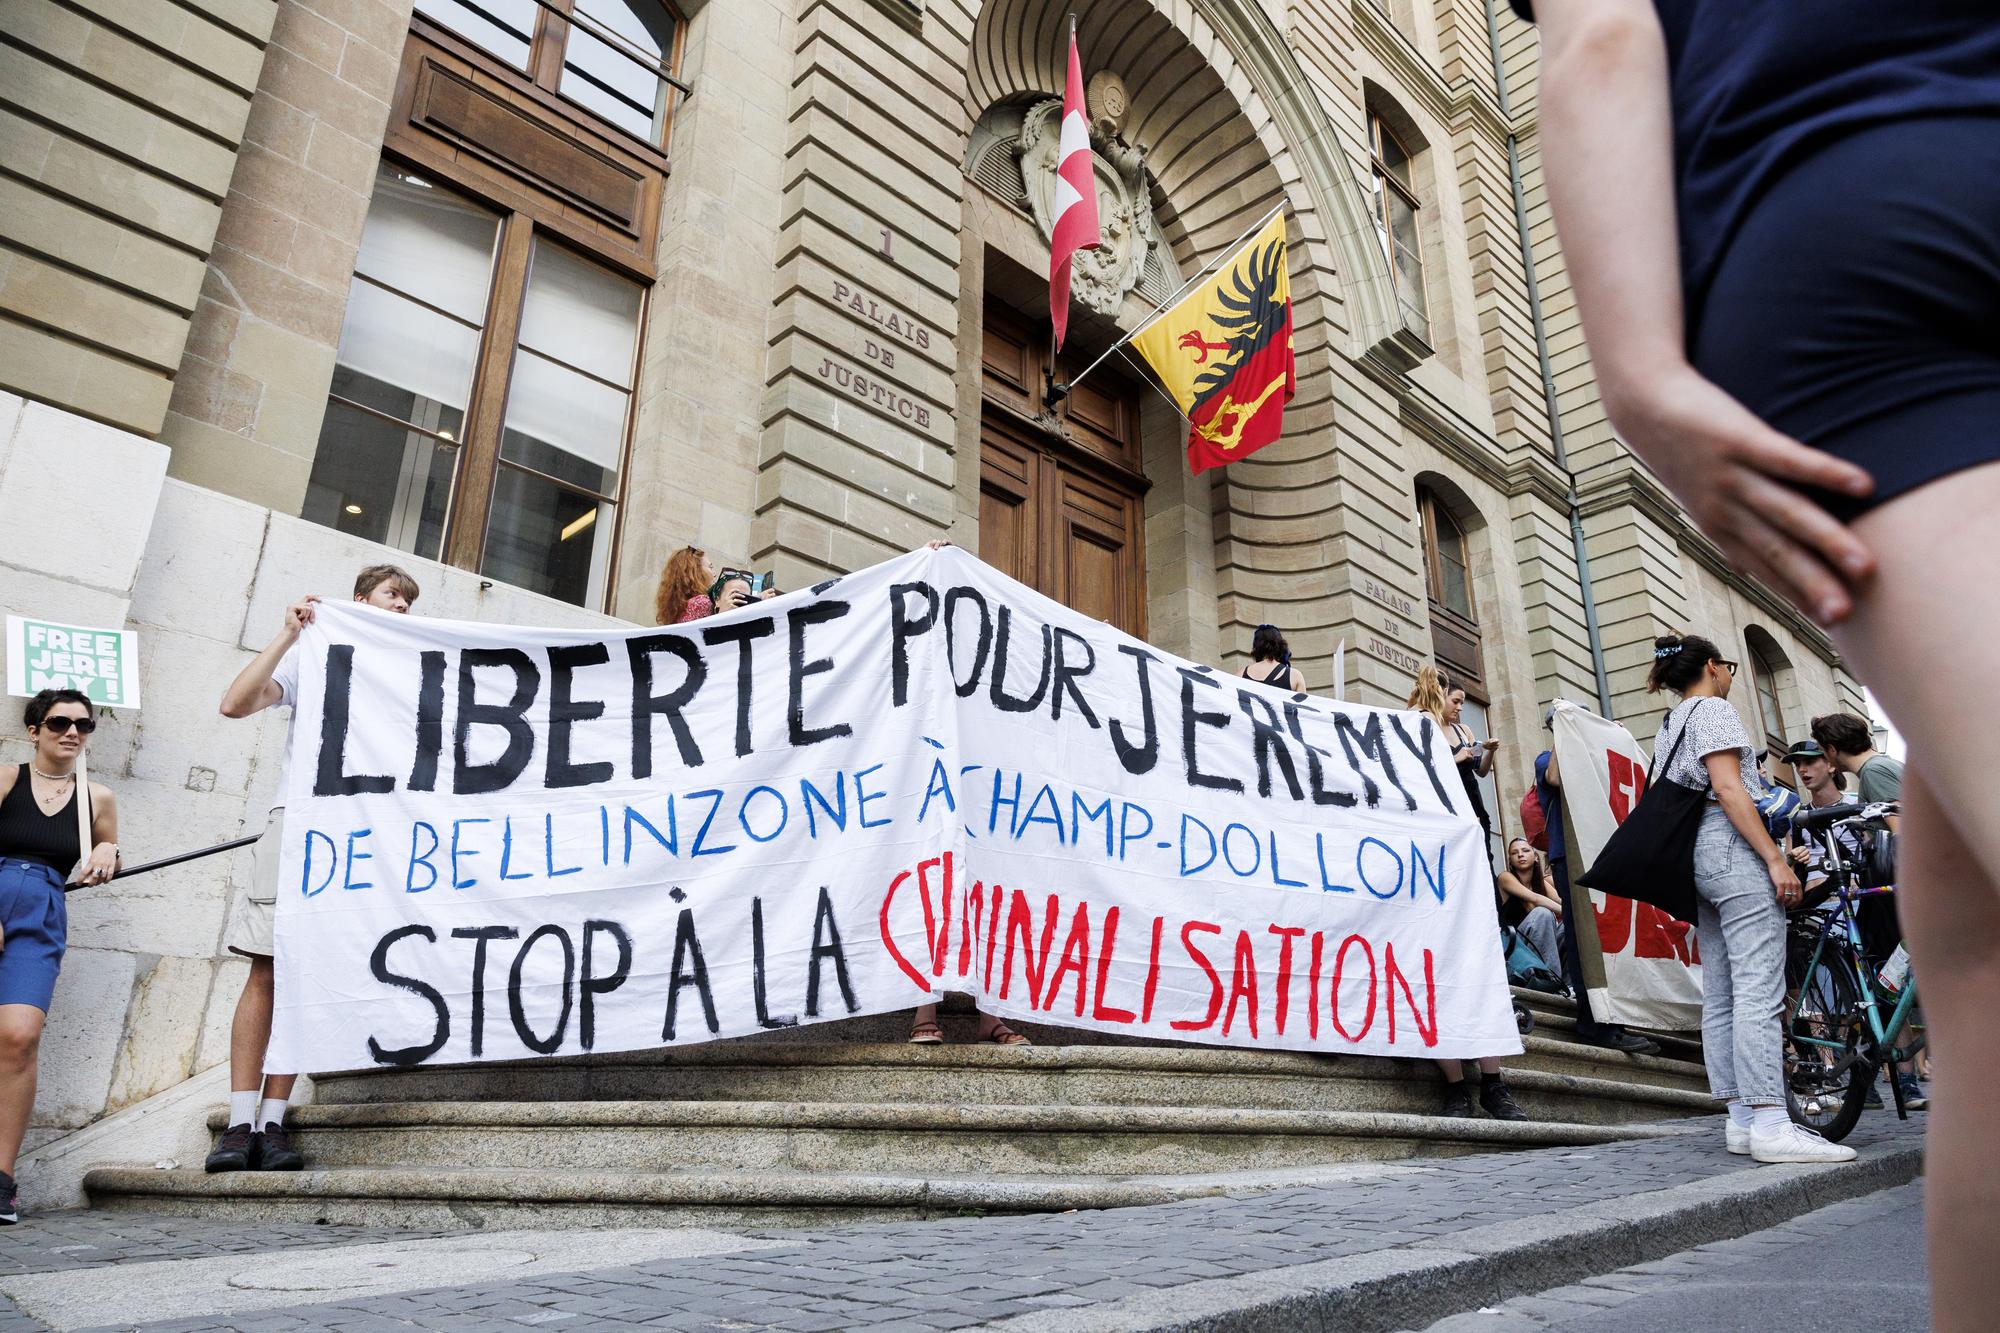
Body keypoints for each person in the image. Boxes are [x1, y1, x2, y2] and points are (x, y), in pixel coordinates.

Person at [1523, 2, 2000, 1315]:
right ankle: (1756, 1112)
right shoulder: (1714, 720)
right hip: (1913, 188)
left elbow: (1601, 32)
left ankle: (1753, 1109)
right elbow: (1733, 785)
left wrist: (1637, 368)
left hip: (1842, 210)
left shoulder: (1693, 718)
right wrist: (1784, 851)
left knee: (1979, 979)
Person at [208, 564, 419, 1174]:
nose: (402, 607)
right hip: (300, 822)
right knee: (267, 971)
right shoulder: (318, 655)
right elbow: (234, 703)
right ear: (358, 600)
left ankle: (273, 1123)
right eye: (391, 596)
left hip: (370, 834)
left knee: (308, 974)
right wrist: (288, 636)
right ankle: (239, 1122)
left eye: (409, 601)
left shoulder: (414, 669)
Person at [1643, 635, 1852, 1164]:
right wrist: (1776, 859)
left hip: (1696, 859)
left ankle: (1740, 1120)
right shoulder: (1713, 709)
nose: (1731, 675)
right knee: (1759, 991)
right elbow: (1731, 789)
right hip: (1731, 849)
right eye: (1728, 666)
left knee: (1723, 994)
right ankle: (1772, 1122)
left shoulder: (1672, 724)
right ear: (1712, 667)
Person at [0, 691, 120, 1224]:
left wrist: (108, 850)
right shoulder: (6, 779)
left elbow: (107, 852)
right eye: (58, 722)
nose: (72, 732)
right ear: (34, 730)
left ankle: (2, 1179)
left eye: (83, 724)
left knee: (20, 1037)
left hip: (43, 914)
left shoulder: (98, 797)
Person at [1786, 737, 1924, 1111]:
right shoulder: (1800, 818)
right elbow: (1801, 875)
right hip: (1825, 912)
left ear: (1830, 763)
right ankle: (1853, 1083)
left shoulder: (1859, 806)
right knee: (1829, 998)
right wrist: (1794, 863)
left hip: (1867, 907)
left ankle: (1907, 1083)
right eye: (1797, 764)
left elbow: (1885, 846)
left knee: (1885, 988)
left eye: (1810, 761)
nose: (1802, 769)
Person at [1534, 706, 1658, 1055]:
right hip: (1571, 859)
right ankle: (1594, 1025)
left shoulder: (1594, 762)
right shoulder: (1547, 758)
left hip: (1601, 857)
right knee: (1585, 942)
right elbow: (1556, 779)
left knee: (1607, 942)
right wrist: (1564, 730)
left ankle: (1612, 1020)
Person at [1497, 837, 1565, 981]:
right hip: (1515, 948)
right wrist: (1569, 913)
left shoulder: (1540, 882)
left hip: (1540, 949)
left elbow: (1562, 903)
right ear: (1510, 860)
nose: (1520, 855)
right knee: (1543, 913)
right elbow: (1535, 898)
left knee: (1568, 926)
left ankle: (1571, 984)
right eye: (1514, 853)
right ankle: (1551, 980)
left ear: (1535, 857)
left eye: (1525, 850)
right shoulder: (1505, 878)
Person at [655, 547, 719, 625]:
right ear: (696, 571)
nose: (715, 574)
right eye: (710, 567)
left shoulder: (677, 608)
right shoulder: (701, 603)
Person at [1240, 624, 1305, 693]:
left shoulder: (1240, 674)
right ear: (1281, 646)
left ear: (1256, 647)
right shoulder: (1295, 676)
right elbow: (1303, 703)